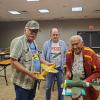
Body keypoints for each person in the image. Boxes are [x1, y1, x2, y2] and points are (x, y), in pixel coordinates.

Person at [10, 20, 51, 100]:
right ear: (25, 30)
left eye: (36, 31)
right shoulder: (19, 41)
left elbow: (37, 56)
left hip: (33, 79)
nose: (34, 33)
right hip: (23, 81)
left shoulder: (34, 42)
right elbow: (13, 62)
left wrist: (47, 63)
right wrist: (30, 74)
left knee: (31, 98)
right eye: (31, 31)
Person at [66, 35, 100, 100]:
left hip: (88, 81)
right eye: (72, 44)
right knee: (74, 97)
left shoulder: (90, 53)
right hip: (75, 80)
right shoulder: (69, 53)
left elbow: (98, 71)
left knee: (89, 98)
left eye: (76, 44)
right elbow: (67, 65)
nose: (75, 47)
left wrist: (86, 81)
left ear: (82, 43)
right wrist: (68, 71)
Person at [41, 28, 67, 100]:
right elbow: (42, 58)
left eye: (56, 35)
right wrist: (47, 63)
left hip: (60, 69)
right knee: (48, 87)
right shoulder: (46, 44)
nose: (55, 36)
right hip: (50, 69)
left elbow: (66, 55)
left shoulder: (63, 43)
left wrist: (65, 65)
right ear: (50, 35)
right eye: (53, 35)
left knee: (61, 87)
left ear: (59, 35)